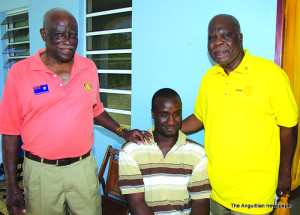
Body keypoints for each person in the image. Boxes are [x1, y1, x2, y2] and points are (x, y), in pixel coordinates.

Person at [0, 8, 152, 215]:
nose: (68, 41)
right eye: (60, 34)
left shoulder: (88, 67)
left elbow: (95, 108)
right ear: (44, 34)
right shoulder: (20, 72)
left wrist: (122, 131)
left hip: (82, 169)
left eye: (73, 35)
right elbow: (10, 129)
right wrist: (11, 186)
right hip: (41, 173)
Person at [181, 14, 299, 215]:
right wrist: (167, 129)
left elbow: (289, 126)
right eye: (211, 38)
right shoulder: (209, 78)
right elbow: (200, 116)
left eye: (225, 35)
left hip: (254, 193)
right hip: (215, 189)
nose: (217, 42)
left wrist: (285, 173)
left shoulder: (271, 74)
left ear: (240, 38)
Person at [119, 88, 211, 215]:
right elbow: (136, 201)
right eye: (164, 115)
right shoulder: (131, 151)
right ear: (153, 114)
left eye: (177, 114)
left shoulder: (198, 153)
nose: (171, 122)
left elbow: (200, 202)